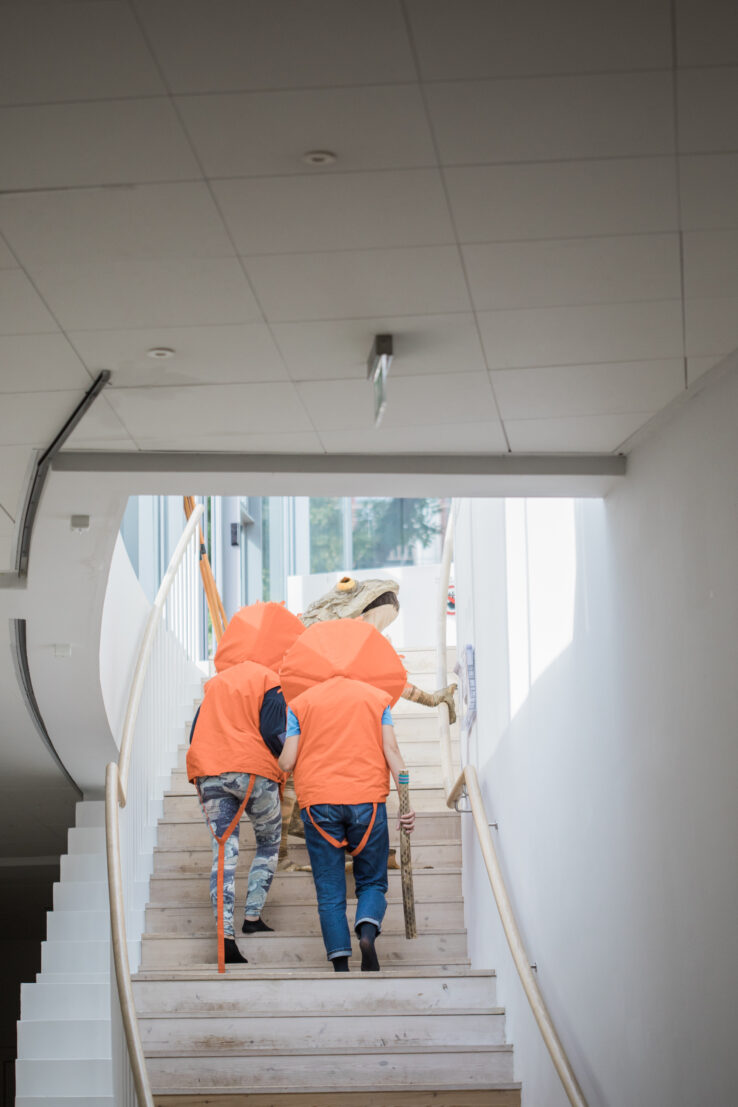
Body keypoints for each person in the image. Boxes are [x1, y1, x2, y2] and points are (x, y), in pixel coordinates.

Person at [186, 602, 303, 968]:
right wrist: (291, 760)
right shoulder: (270, 679)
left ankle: (225, 938)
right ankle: (252, 917)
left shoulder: (214, 684)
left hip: (209, 772)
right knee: (269, 841)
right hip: (253, 773)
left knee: (224, 852)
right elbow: (273, 730)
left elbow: (195, 733)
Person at [278, 674, 415, 972]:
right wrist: (406, 804)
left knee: (329, 889)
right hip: (367, 800)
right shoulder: (378, 699)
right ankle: (366, 932)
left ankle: (341, 966)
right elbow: (391, 751)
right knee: (373, 881)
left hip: (319, 804)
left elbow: (287, 763)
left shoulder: (299, 705)